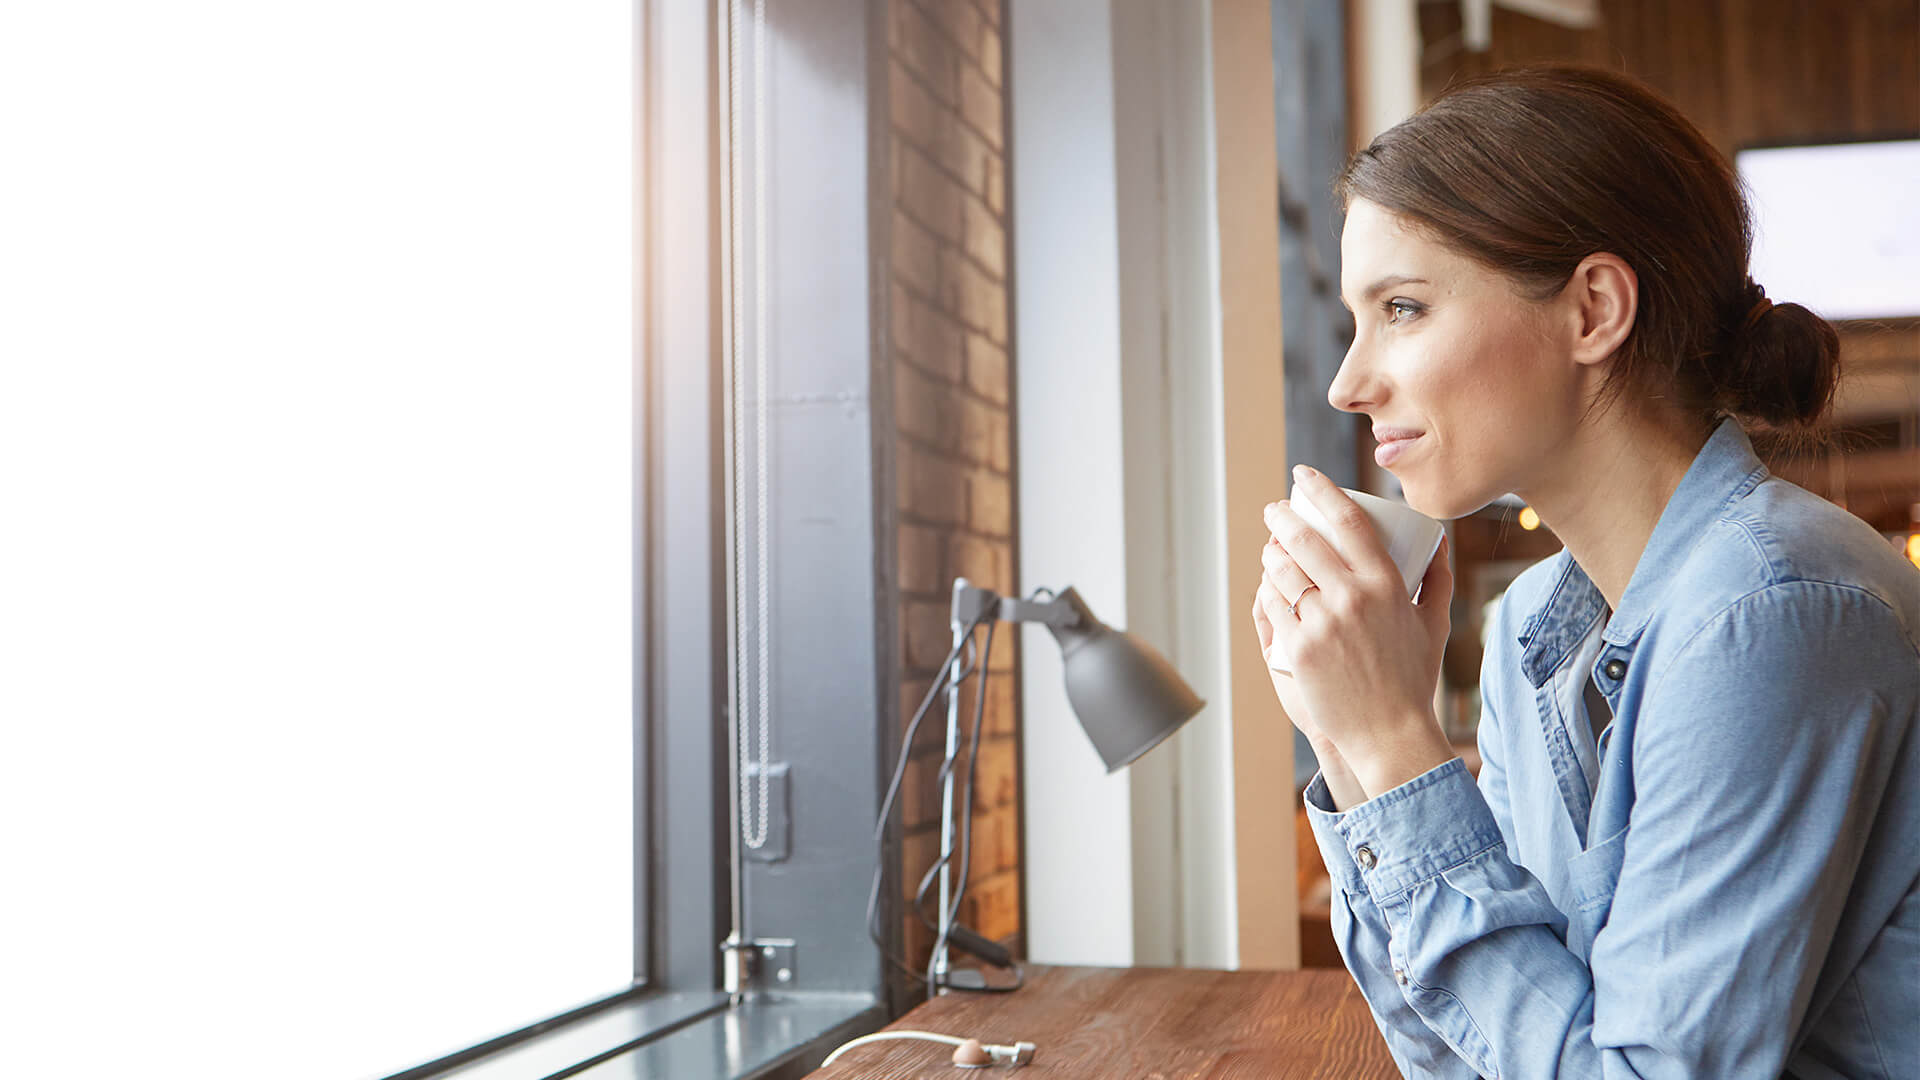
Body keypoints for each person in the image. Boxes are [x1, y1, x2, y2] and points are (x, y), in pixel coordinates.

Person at [1249, 64, 1919, 1078]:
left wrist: (1393, 745)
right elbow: (1473, 1053)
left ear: (1593, 310)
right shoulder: (1530, 627)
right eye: (1355, 320)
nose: (1348, 382)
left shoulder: (1773, 611)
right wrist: (1348, 742)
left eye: (1403, 309)